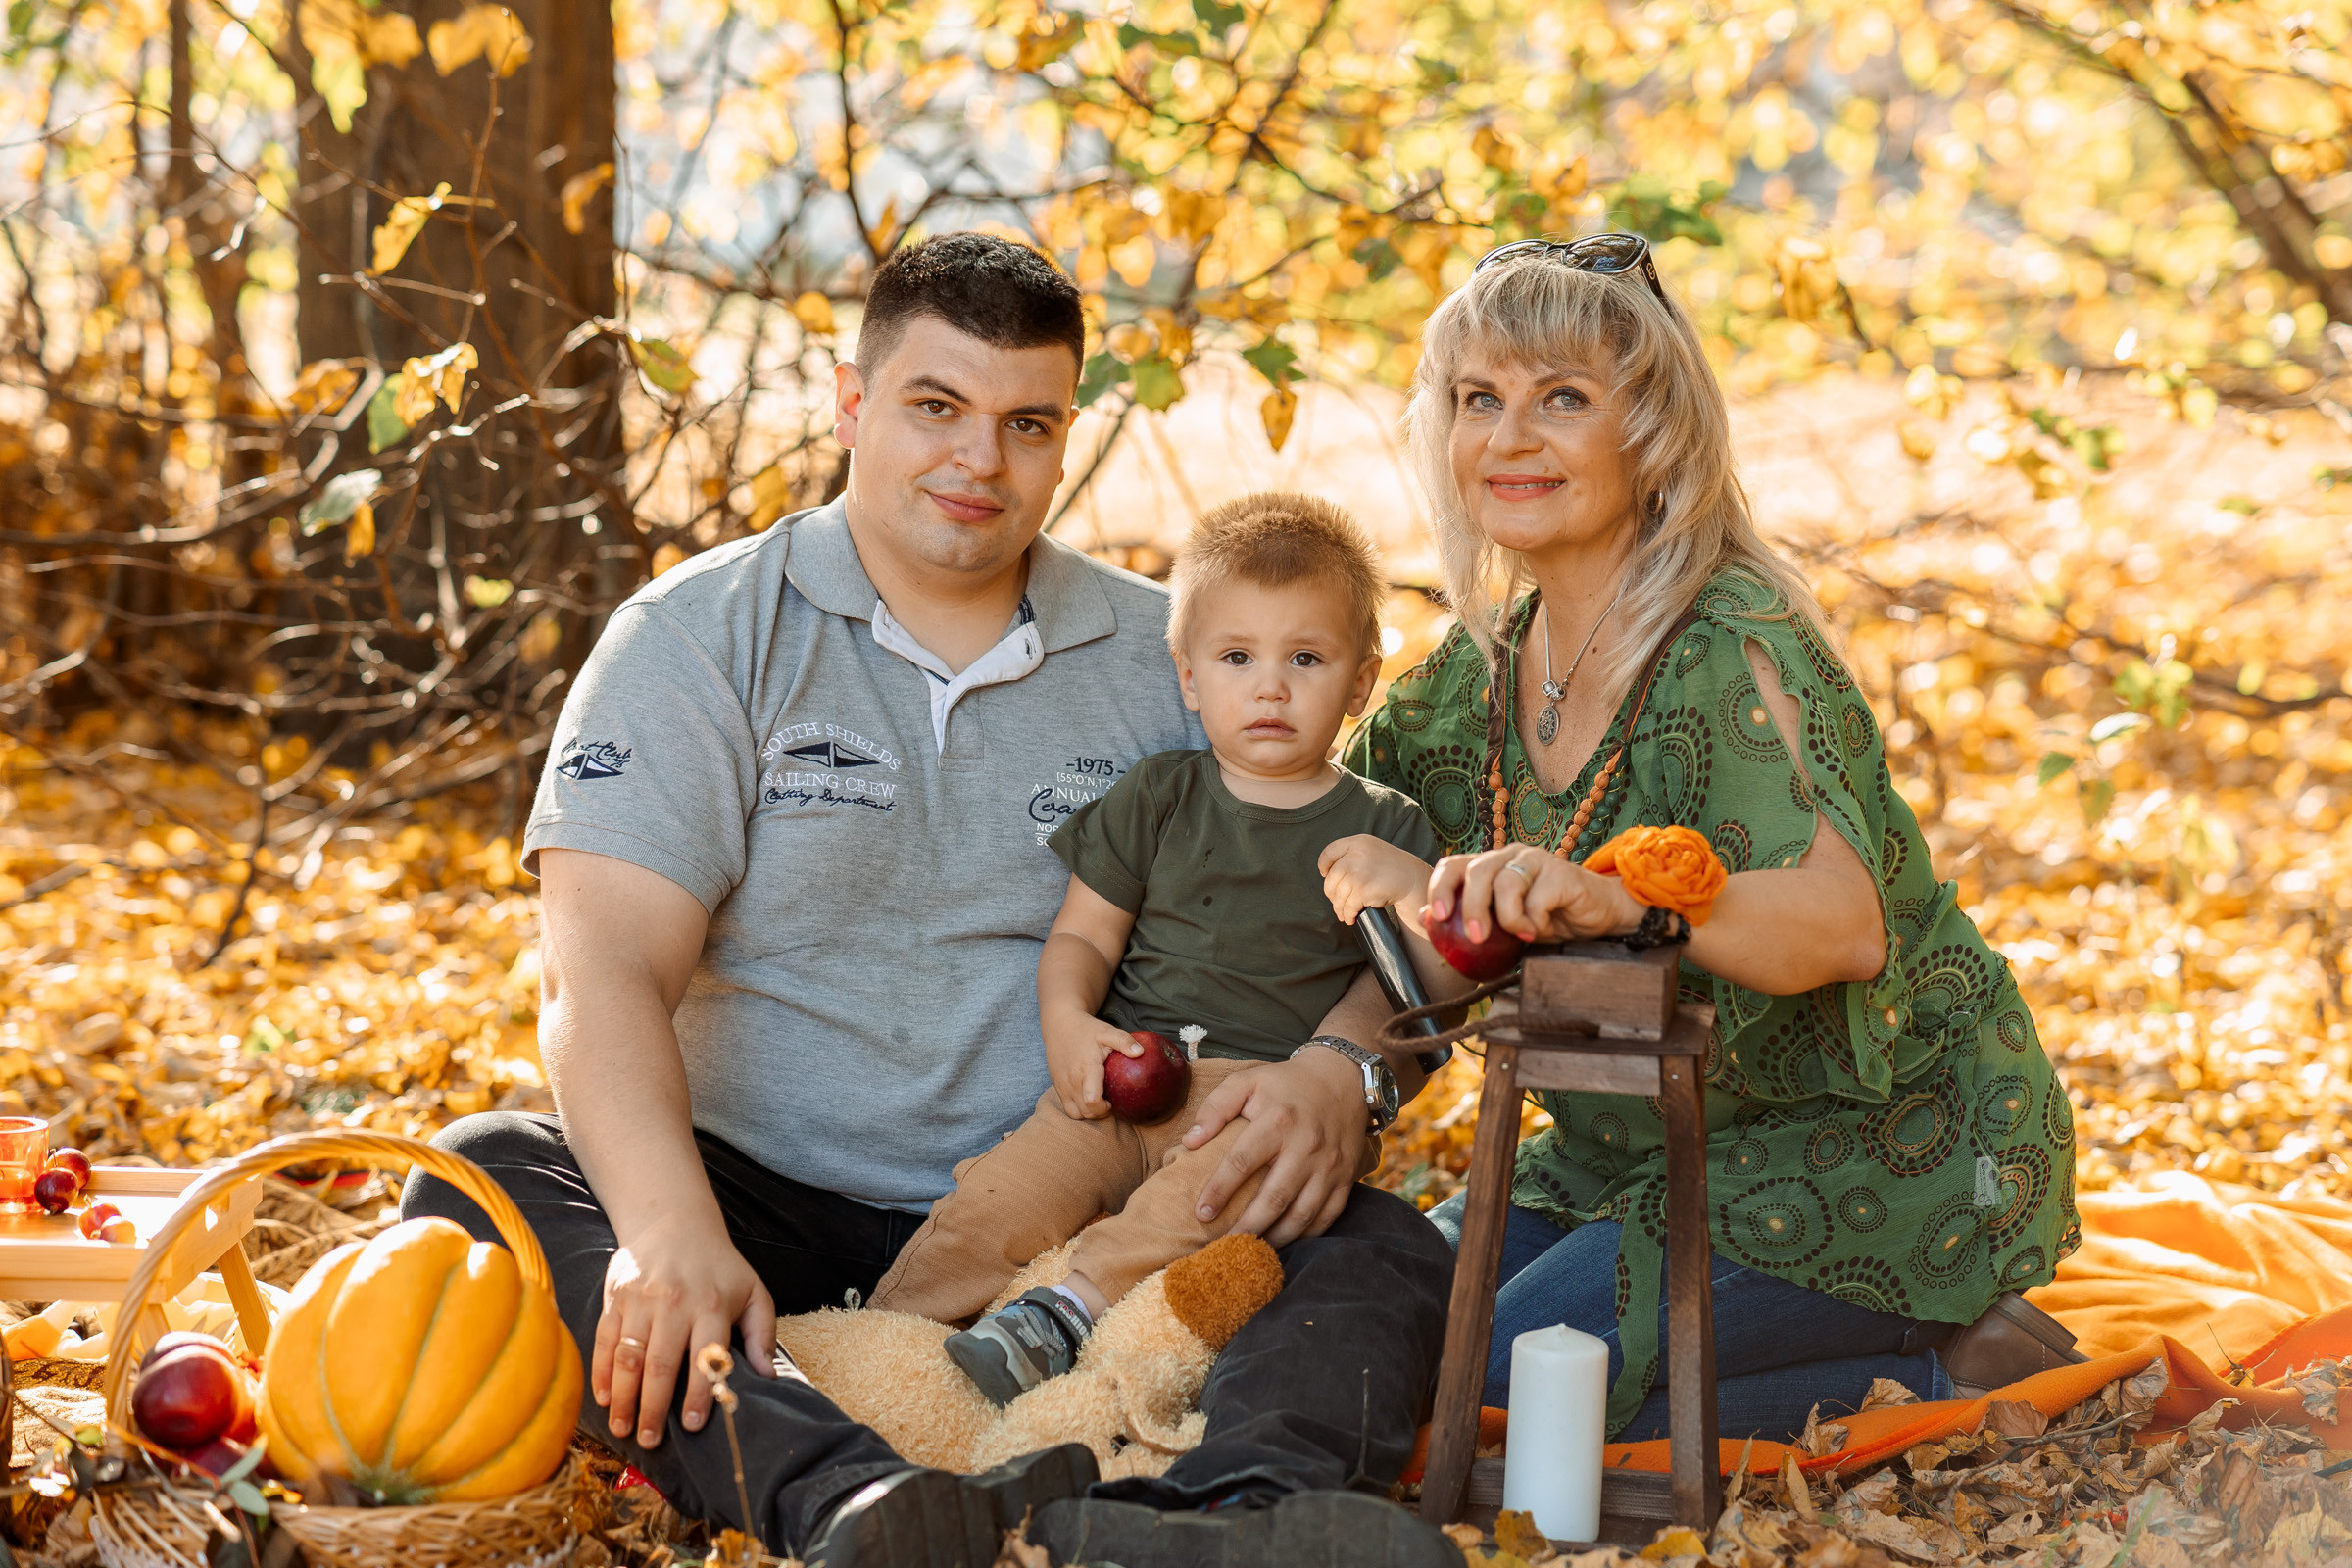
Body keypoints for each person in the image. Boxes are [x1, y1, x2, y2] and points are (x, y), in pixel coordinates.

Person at [398, 233, 1463, 1568]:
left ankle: (1207, 1527)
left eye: (1028, 424)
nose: (982, 461)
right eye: (936, 408)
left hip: (1092, 1200)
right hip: (757, 1208)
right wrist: (669, 1235)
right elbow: (597, 973)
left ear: (1065, 439)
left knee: (1380, 1244)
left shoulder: (1181, 655)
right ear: (853, 406)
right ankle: (851, 1504)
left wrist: (1341, 1073)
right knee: (484, 1180)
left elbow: (1363, 900)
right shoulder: (697, 638)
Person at [1333, 233, 2082, 1442]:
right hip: (1629, 1143)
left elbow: (1841, 928)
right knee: (1386, 1316)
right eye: (1480, 400)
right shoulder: (1463, 687)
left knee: (1519, 1384)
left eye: (1562, 399)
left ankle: (1951, 1369)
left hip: (1878, 1136)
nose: (1510, 437)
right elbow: (1326, 854)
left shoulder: (1733, 642)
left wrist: (1627, 897)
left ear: (1653, 433)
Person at [867, 493, 1441, 1409]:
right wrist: (1067, 1020)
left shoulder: (1384, 825)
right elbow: (1084, 935)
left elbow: (1425, 997)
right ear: (1187, 677)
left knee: (1209, 1204)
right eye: (1237, 658)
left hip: (1259, 1103)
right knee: (1001, 1199)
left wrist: (1411, 886)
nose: (1270, 687)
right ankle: (879, 1347)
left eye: (1306, 659)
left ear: (1361, 681)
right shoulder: (1159, 797)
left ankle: (1063, 1310)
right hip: (1124, 1078)